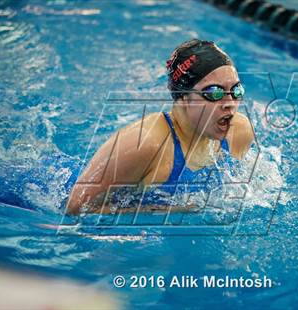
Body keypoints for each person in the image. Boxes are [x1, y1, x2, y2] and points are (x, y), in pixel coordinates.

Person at [66, 39, 254, 215]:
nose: (230, 103)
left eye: (236, 90)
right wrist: (167, 209)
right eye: (214, 92)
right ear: (182, 96)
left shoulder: (238, 132)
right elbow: (75, 207)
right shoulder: (145, 142)